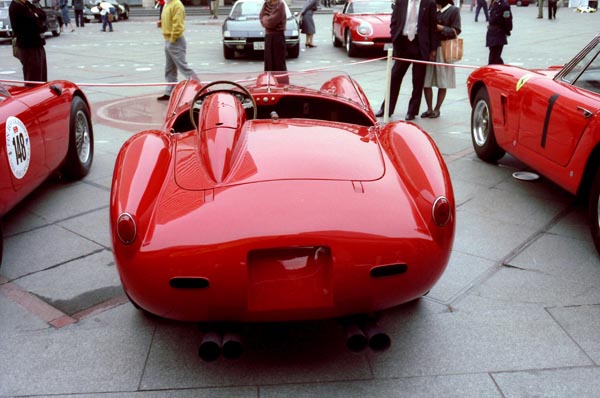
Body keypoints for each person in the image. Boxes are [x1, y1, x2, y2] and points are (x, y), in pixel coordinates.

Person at [375, 0, 439, 120]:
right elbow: (394, 22)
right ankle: (386, 109)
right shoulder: (401, 2)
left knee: (418, 81)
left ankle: (412, 111)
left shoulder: (429, 3)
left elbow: (432, 27)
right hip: (403, 45)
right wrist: (395, 38)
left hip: (420, 45)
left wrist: (433, 49)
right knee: (394, 77)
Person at [422, 0, 461, 119]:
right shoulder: (431, 8)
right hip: (429, 48)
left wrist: (441, 28)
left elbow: (457, 30)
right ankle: (429, 108)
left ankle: (437, 109)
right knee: (426, 80)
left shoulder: (453, 10)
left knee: (442, 81)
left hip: (444, 49)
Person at [157, 0, 199, 101]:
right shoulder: (168, 4)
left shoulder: (176, 4)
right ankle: (169, 92)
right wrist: (162, 24)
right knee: (169, 69)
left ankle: (200, 89)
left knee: (183, 67)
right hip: (169, 39)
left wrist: (172, 39)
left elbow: (178, 24)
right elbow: (171, 20)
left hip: (175, 40)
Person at [9, 0, 48, 83]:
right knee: (33, 79)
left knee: (42, 78)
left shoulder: (27, 4)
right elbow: (33, 24)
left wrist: (37, 16)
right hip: (28, 47)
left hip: (37, 45)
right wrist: (38, 20)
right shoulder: (16, 7)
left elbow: (43, 15)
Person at [260, 0, 289, 84]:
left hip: (278, 37)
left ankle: (282, 84)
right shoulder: (266, 4)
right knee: (269, 63)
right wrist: (266, 20)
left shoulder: (280, 5)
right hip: (268, 37)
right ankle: (269, 83)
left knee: (278, 63)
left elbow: (271, 22)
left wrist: (265, 19)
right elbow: (261, 17)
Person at [486, 0, 512, 65]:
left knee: (494, 59)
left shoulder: (505, 5)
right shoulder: (493, 3)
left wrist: (507, 30)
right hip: (491, 34)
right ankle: (502, 70)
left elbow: (507, 19)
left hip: (498, 34)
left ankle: (499, 70)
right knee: (495, 57)